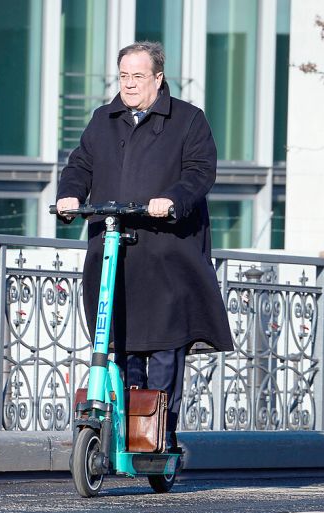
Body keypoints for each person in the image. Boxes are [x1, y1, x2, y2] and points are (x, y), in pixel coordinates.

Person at [56, 41, 233, 450]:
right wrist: (69, 195)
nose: (129, 84)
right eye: (123, 76)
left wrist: (172, 199)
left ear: (158, 78)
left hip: (165, 252)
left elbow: (200, 172)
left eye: (138, 76)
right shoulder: (104, 119)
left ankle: (158, 436)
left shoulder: (188, 120)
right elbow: (80, 165)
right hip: (115, 249)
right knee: (121, 341)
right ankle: (125, 429)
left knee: (167, 347)